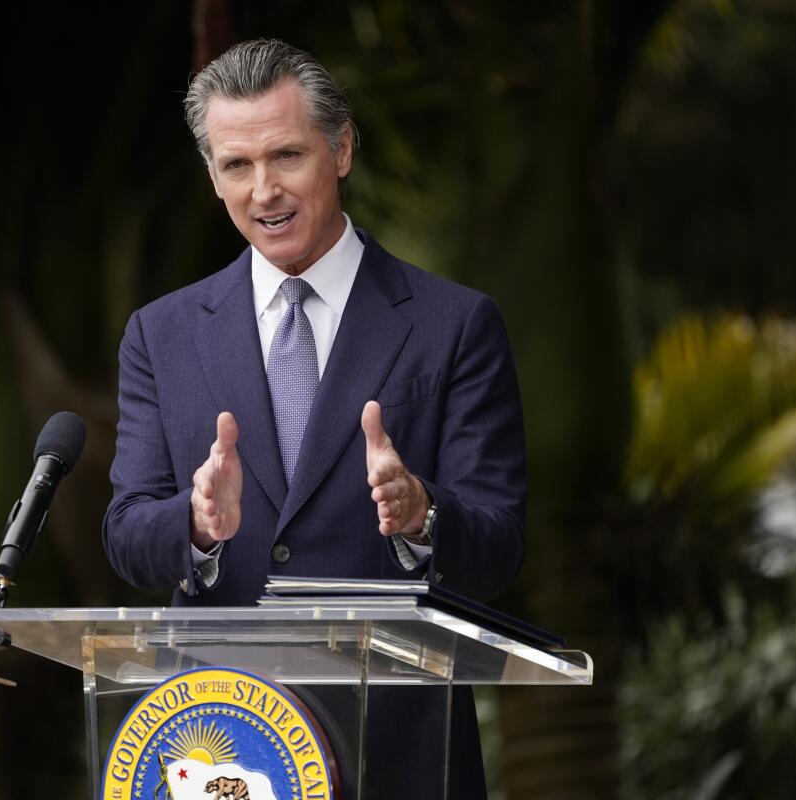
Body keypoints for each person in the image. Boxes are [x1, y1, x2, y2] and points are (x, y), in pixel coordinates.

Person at [103, 38, 526, 799]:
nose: (264, 191)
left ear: (341, 150)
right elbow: (129, 534)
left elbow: (498, 547)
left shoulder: (453, 325)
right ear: (213, 177)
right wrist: (196, 523)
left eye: (287, 157)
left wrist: (424, 513)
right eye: (237, 166)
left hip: (401, 757)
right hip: (218, 745)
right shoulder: (160, 335)